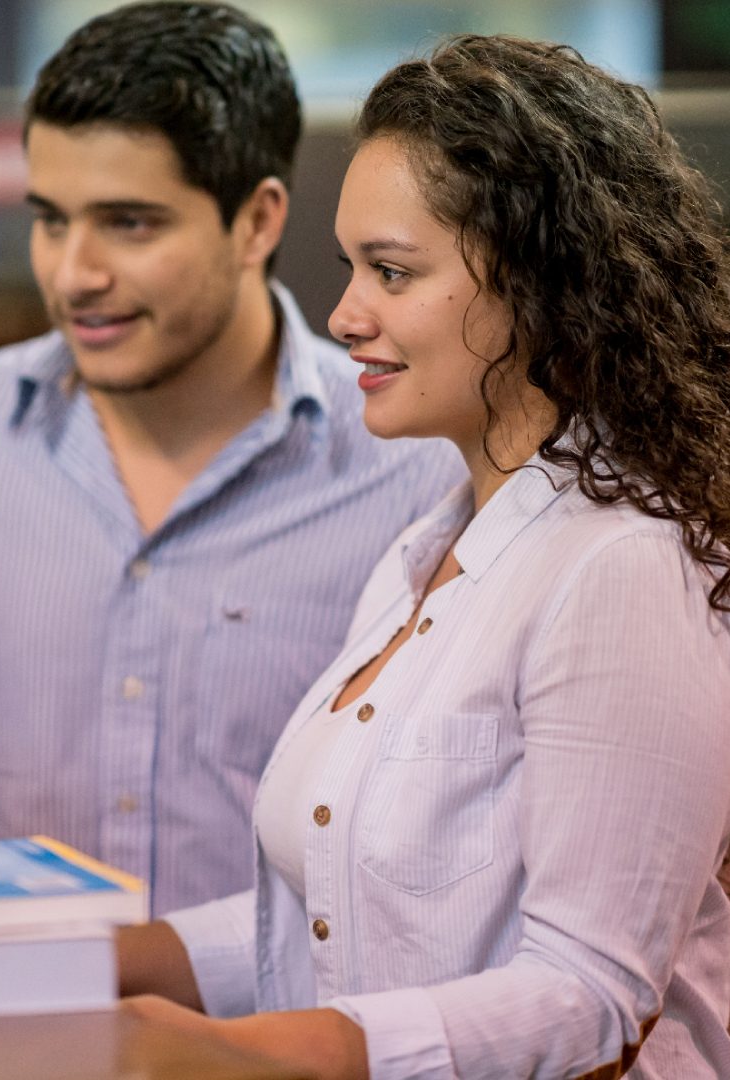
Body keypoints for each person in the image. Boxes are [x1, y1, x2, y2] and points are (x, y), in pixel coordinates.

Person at [0, 2, 461, 917]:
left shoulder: (412, 464)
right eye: (51, 220)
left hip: (281, 1045)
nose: (73, 273)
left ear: (256, 222)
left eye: (129, 224)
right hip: (31, 1022)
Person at [117, 33, 730, 1079]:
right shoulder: (425, 550)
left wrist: (257, 1057)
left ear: (538, 283)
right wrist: (97, 963)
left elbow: (590, 996)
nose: (346, 315)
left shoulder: (618, 566)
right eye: (353, 268)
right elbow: (352, 913)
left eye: (391, 272)